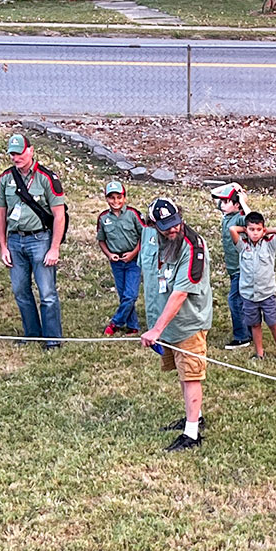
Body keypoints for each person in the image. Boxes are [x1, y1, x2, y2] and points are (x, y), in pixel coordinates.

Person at [140, 198, 212, 453]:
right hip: (164, 322)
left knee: (191, 375)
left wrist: (155, 330)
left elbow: (180, 293)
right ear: (153, 224)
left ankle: (191, 434)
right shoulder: (148, 235)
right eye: (166, 226)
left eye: (176, 223)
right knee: (182, 374)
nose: (173, 230)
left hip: (188, 323)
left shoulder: (193, 246)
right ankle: (196, 415)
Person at [0, 135, 67, 350]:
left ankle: (52, 338)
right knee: (20, 290)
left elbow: (59, 215)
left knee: (47, 292)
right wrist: (3, 245)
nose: (16, 157)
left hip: (40, 239)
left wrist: (54, 248)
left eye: (19, 152)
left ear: (31, 150)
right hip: (15, 241)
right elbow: (0, 213)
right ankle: (32, 332)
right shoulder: (6, 178)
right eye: (12, 154)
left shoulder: (47, 177)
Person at [94, 179, 149, 338]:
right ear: (106, 199)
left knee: (131, 294)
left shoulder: (133, 214)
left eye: (119, 197)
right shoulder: (103, 218)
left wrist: (133, 253)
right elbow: (101, 240)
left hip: (133, 260)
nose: (115, 201)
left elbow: (143, 235)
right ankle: (133, 326)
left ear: (124, 198)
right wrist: (109, 255)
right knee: (124, 294)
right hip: (116, 262)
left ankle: (115, 323)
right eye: (111, 197)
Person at [236, 210, 276, 360]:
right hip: (249, 295)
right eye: (251, 230)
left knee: (273, 323)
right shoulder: (242, 245)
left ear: (263, 230)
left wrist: (265, 232)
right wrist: (245, 231)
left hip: (267, 294)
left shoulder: (269, 245)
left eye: (259, 230)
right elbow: (233, 229)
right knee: (255, 324)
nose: (255, 233)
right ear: (246, 230)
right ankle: (259, 353)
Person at [210, 182, 251, 350]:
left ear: (236, 205)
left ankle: (242, 337)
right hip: (233, 269)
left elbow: (254, 219)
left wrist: (243, 201)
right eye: (223, 202)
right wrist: (233, 185)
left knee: (234, 300)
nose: (223, 204)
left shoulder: (240, 217)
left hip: (242, 269)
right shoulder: (226, 216)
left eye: (227, 202)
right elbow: (213, 193)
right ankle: (249, 331)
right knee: (243, 301)